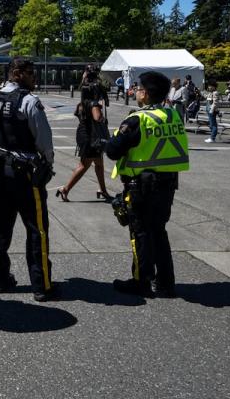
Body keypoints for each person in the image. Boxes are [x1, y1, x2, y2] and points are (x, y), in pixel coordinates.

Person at [106, 71, 189, 298]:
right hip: (167, 184)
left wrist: (107, 141)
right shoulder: (172, 115)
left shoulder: (138, 119)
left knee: (140, 232)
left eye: (137, 88)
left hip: (140, 187)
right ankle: (165, 283)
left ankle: (141, 280)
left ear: (146, 93)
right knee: (159, 232)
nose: (134, 91)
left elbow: (113, 151)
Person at [0, 56, 58, 302]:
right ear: (17, 74)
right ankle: (41, 284)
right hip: (26, 173)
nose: (34, 78)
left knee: (1, 227)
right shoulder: (28, 101)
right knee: (37, 229)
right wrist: (47, 163)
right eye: (30, 73)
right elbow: (44, 141)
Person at [56, 82, 111, 202]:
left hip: (83, 134)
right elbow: (97, 118)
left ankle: (102, 190)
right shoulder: (93, 104)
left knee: (99, 163)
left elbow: (77, 114)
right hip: (91, 137)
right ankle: (65, 189)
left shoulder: (81, 104)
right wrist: (101, 116)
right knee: (84, 165)